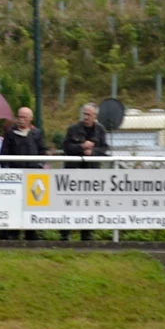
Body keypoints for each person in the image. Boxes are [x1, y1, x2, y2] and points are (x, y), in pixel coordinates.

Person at [61, 103, 110, 242]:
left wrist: (92, 152)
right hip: (73, 173)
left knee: (89, 205)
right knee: (69, 205)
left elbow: (104, 149)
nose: (86, 117)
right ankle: (65, 234)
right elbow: (66, 147)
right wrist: (81, 147)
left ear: (95, 116)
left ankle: (87, 235)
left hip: (91, 174)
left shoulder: (100, 130)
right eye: (84, 114)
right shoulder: (73, 129)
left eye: (89, 115)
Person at [0, 107, 46, 239]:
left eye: (24, 117)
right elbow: (4, 154)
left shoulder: (37, 133)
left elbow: (42, 152)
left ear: (30, 119)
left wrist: (40, 167)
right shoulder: (10, 133)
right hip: (15, 175)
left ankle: (32, 233)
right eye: (19, 116)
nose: (21, 120)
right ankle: (13, 233)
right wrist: (8, 171)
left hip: (32, 175)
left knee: (32, 206)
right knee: (14, 205)